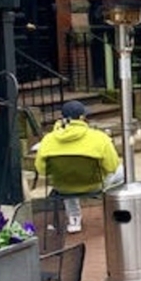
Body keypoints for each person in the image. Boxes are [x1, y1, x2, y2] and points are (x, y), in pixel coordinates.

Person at [35, 100, 123, 233]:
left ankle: (74, 219)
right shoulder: (100, 138)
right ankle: (117, 212)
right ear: (82, 118)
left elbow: (42, 170)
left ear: (62, 118)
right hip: (94, 184)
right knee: (123, 171)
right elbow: (112, 166)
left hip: (64, 187)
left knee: (66, 178)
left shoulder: (48, 140)